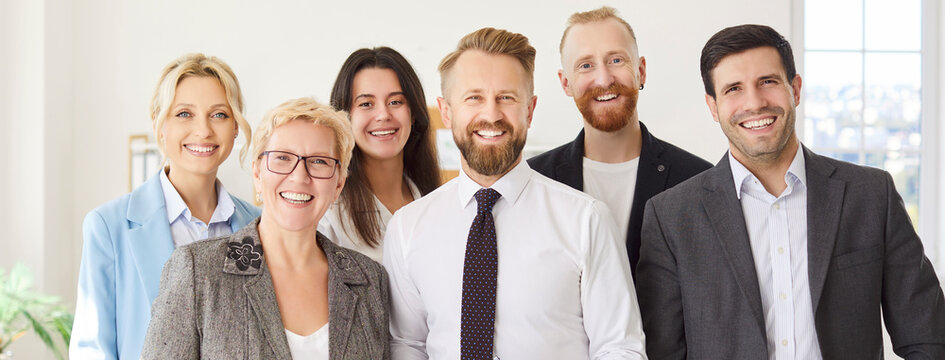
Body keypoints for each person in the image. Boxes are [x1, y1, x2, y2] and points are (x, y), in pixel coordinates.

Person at [636, 24, 945, 359]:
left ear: (795, 89)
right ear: (713, 106)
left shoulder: (871, 196)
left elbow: (929, 338)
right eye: (733, 89)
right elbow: (663, 353)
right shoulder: (671, 217)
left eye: (767, 82)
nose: (755, 103)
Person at [384, 27, 647, 359]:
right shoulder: (407, 228)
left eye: (506, 98)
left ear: (530, 110)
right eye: (474, 97)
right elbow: (407, 344)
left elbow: (620, 348)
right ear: (447, 111)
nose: (491, 115)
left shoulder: (586, 220)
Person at [141, 97, 390, 359]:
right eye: (282, 158)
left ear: (338, 184)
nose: (299, 177)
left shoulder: (369, 281)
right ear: (258, 174)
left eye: (319, 161)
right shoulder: (197, 270)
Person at [70, 53, 260, 360]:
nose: (203, 130)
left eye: (219, 114)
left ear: (236, 126)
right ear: (159, 124)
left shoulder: (259, 225)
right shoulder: (108, 226)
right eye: (184, 114)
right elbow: (92, 351)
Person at [528, 6, 710, 278]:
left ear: (641, 71)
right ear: (566, 83)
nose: (604, 79)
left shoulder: (698, 179)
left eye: (616, 60)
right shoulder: (534, 181)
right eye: (586, 65)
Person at [320, 47, 441, 263]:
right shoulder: (327, 215)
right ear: (344, 117)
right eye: (366, 104)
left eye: (396, 102)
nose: (383, 115)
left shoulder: (435, 202)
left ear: (413, 114)